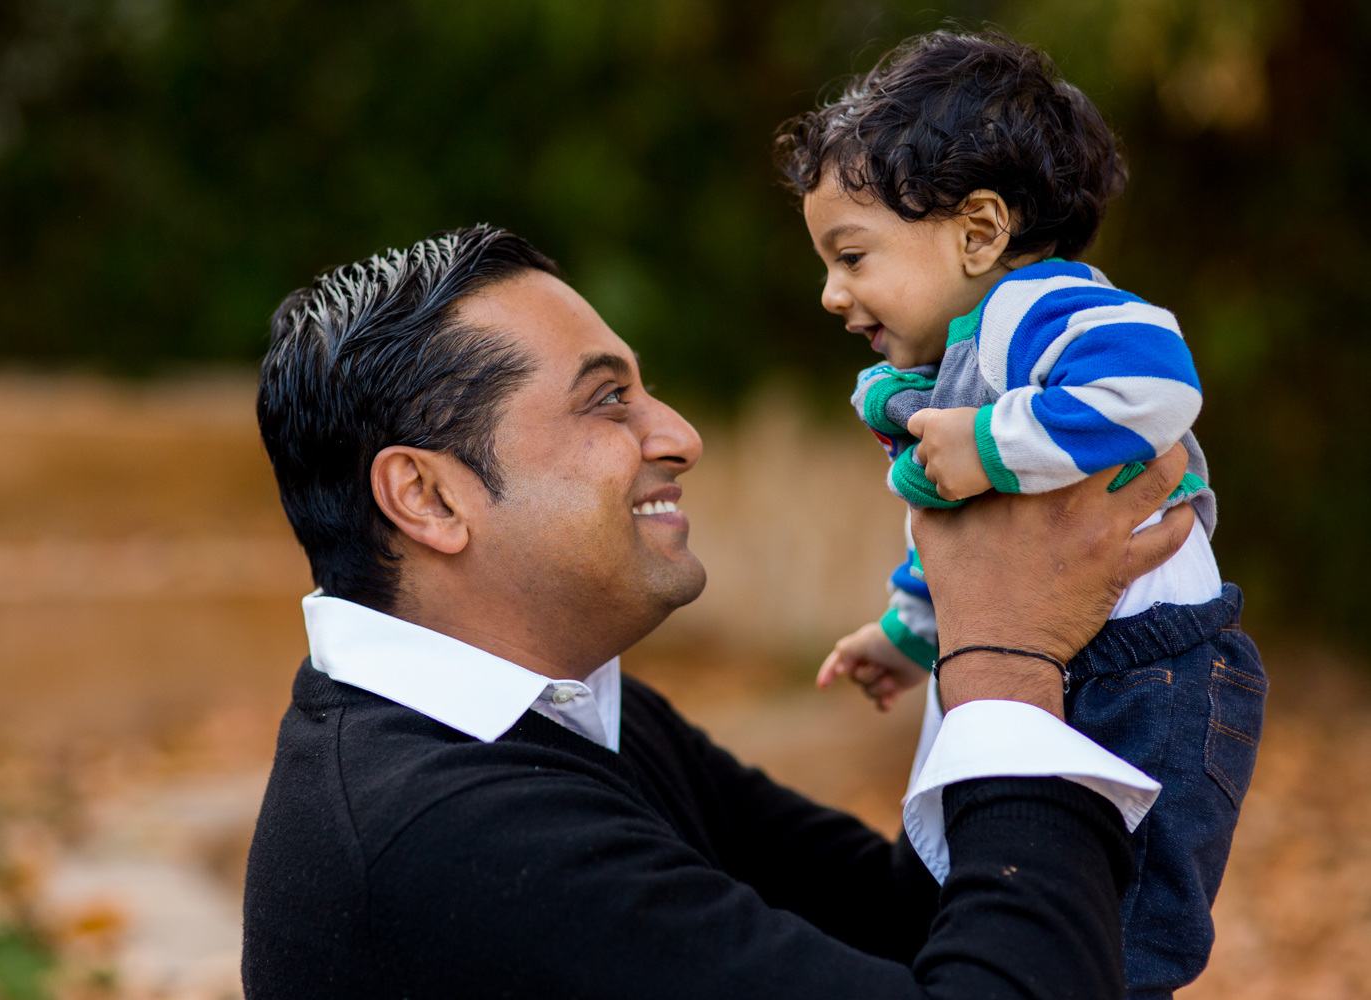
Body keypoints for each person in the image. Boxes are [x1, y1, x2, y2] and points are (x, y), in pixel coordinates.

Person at [244, 224, 1195, 999]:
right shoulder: (457, 843)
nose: (680, 436)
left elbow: (908, 920)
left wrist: (987, 611)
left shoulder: (561, 717)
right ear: (429, 498)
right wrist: (1007, 661)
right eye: (607, 401)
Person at [778, 32, 1267, 998]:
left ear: (980, 230)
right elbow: (967, 545)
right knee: (973, 884)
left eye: (852, 256)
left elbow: (1158, 382)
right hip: (1052, 650)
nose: (833, 294)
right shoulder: (959, 359)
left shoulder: (1047, 309)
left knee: (1122, 941)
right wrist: (908, 629)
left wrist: (991, 442)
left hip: (1152, 670)